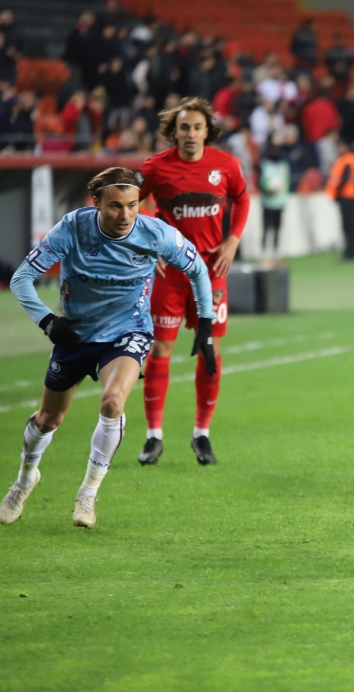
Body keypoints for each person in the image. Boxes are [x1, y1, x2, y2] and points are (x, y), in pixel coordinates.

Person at [0, 167, 218, 530]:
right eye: (115, 206)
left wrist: (206, 323)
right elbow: (20, 278)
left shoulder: (156, 234)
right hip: (75, 335)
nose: (125, 215)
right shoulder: (72, 228)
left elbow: (198, 270)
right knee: (47, 420)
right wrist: (48, 321)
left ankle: (87, 494)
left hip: (128, 332)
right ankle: (25, 479)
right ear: (96, 202)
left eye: (132, 205)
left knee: (113, 402)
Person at [137, 97, 250, 467]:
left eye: (197, 127)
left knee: (210, 352)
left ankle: (202, 434)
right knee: (160, 352)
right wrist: (148, 247)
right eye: (184, 127)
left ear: (207, 131)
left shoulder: (225, 165)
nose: (190, 134)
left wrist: (233, 240)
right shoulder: (156, 167)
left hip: (211, 272)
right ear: (174, 131)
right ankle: (154, 437)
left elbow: (242, 198)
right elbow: (130, 203)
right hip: (171, 273)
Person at [326, 143, 354, 261]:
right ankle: (351, 251)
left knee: (348, 225)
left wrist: (336, 192)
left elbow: (345, 178)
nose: (339, 149)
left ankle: (350, 251)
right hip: (350, 195)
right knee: (350, 225)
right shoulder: (348, 158)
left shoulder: (348, 159)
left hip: (347, 195)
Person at [259, 147, 290, 259]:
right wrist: (268, 191)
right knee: (266, 228)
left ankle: (275, 251)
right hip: (268, 202)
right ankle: (264, 252)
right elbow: (262, 182)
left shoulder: (283, 166)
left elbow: (286, 181)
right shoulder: (265, 165)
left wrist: (279, 189)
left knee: (277, 228)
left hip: (279, 202)